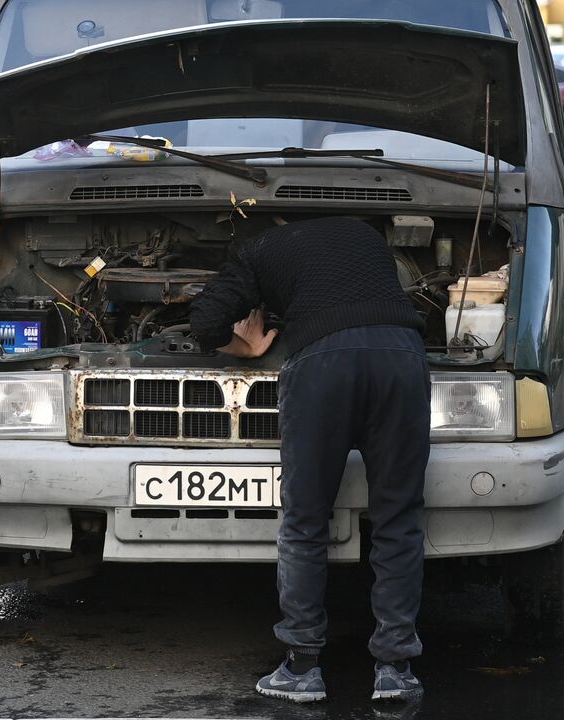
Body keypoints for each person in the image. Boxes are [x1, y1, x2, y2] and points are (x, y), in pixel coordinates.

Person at [190, 217, 431, 704]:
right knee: (399, 518)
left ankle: (302, 668)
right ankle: (394, 669)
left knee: (305, 520)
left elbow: (204, 321)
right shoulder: (365, 234)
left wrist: (250, 345)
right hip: (401, 356)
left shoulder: (254, 251)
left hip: (322, 364)